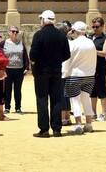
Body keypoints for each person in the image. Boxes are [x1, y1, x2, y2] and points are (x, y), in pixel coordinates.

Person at [30, 10, 71, 138]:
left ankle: (44, 129)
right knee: (56, 100)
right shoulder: (61, 35)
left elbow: (33, 55)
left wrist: (35, 63)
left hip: (41, 71)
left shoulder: (38, 35)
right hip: (56, 71)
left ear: (43, 20)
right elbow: (66, 55)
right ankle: (57, 129)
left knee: (42, 100)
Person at [63, 21, 97, 134]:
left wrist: (64, 73)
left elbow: (67, 60)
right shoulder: (91, 43)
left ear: (74, 30)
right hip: (89, 75)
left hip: (75, 75)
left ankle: (78, 124)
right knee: (85, 99)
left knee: (75, 100)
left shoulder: (73, 44)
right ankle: (88, 124)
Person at [0, 25, 29, 115]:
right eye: (13, 31)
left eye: (16, 32)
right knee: (7, 89)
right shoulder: (3, 43)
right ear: (9, 32)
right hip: (8, 69)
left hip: (19, 69)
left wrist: (26, 67)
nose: (15, 33)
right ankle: (7, 107)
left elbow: (25, 56)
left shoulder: (20, 43)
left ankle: (18, 107)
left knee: (18, 89)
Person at [88, 16, 106, 121]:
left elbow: (104, 53)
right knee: (92, 90)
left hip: (100, 66)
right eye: (93, 27)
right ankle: (93, 112)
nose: (95, 29)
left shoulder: (105, 38)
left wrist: (92, 51)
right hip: (90, 65)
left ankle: (103, 113)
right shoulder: (89, 37)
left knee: (101, 89)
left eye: (97, 27)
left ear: (102, 27)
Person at [54, 22, 72, 126]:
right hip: (68, 71)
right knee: (66, 95)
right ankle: (67, 117)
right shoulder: (69, 41)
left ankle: (62, 118)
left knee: (60, 95)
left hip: (61, 71)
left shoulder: (61, 42)